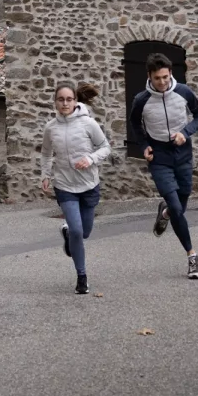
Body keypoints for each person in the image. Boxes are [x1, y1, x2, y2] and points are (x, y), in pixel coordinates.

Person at [130, 52, 198, 279]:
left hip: (182, 152)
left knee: (181, 201)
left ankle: (164, 212)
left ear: (170, 73)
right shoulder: (141, 100)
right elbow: (135, 123)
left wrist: (185, 133)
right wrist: (143, 145)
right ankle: (192, 257)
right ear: (149, 77)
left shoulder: (183, 92)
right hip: (159, 156)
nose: (162, 82)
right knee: (176, 205)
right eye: (157, 78)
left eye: (165, 77)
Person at [41, 81, 111, 294]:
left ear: (75, 101)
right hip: (64, 185)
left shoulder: (88, 123)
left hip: (89, 184)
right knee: (78, 230)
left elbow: (105, 147)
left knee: (85, 232)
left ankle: (69, 234)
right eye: (61, 99)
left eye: (69, 99)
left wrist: (90, 159)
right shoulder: (50, 128)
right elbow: (46, 153)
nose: (65, 103)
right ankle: (82, 277)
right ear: (55, 102)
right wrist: (45, 174)